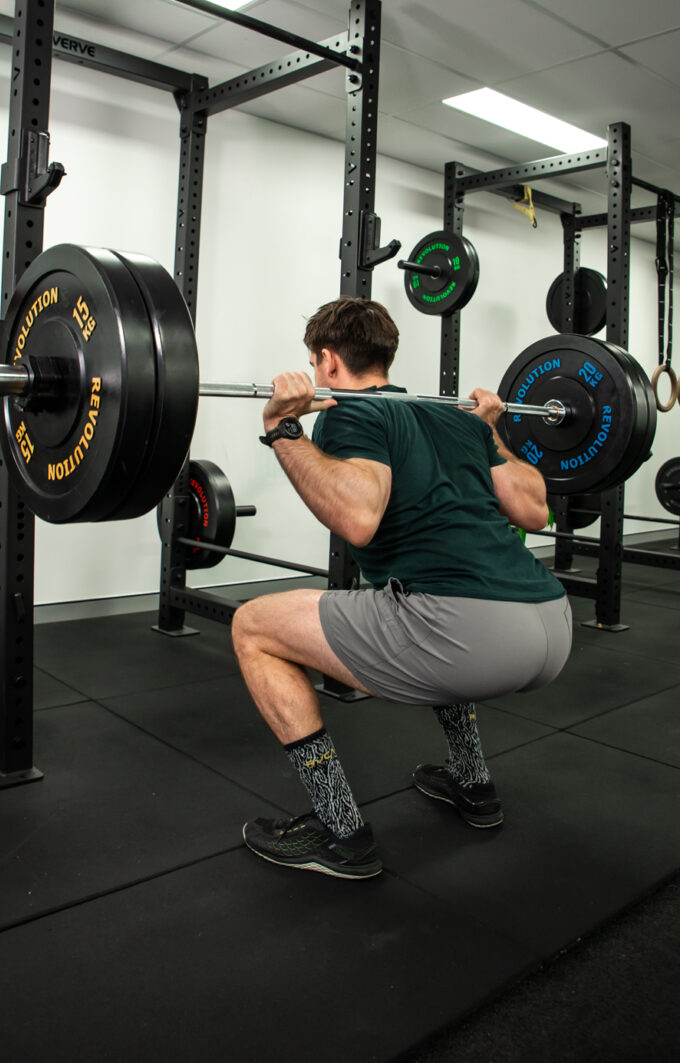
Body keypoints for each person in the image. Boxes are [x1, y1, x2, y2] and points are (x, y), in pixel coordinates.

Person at [231, 299, 572, 879]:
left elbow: (358, 516)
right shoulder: (458, 419)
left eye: (315, 364)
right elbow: (535, 511)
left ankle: (341, 834)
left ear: (328, 361)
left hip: (468, 636)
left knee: (253, 627)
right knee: (417, 593)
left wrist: (282, 428)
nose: (316, 376)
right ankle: (474, 786)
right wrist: (492, 433)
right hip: (551, 623)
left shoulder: (351, 411)